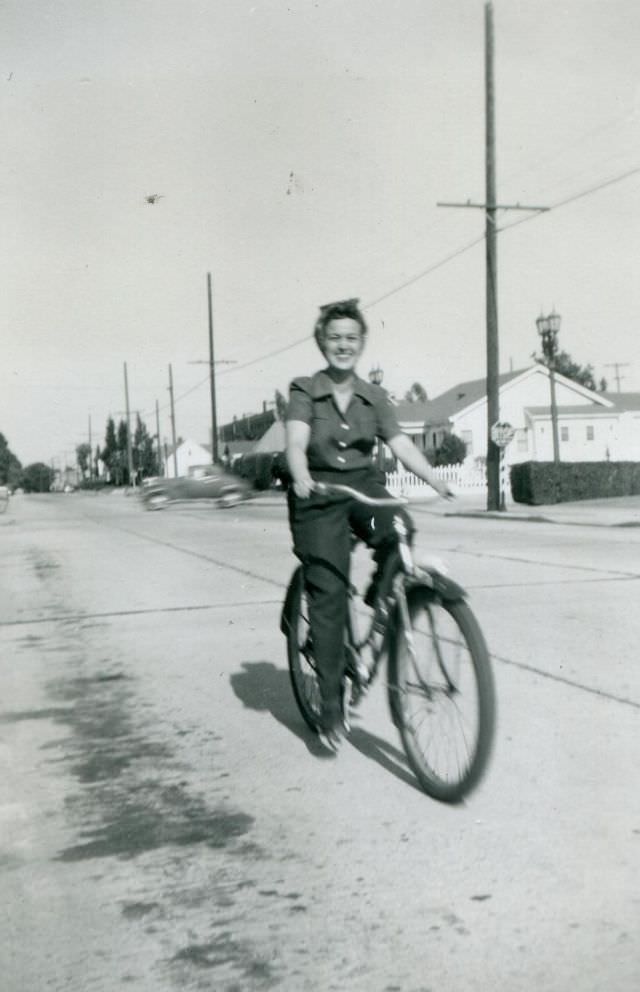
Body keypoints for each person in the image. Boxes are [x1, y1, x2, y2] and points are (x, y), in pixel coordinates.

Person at [285, 298, 452, 749]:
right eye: (334, 337)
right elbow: (297, 442)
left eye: (351, 338)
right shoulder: (304, 390)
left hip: (363, 486)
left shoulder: (374, 396)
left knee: (401, 529)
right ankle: (332, 706)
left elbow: (400, 444)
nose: (343, 345)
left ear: (361, 343)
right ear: (322, 341)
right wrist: (300, 475)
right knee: (330, 591)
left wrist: (435, 478)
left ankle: (381, 608)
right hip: (318, 493)